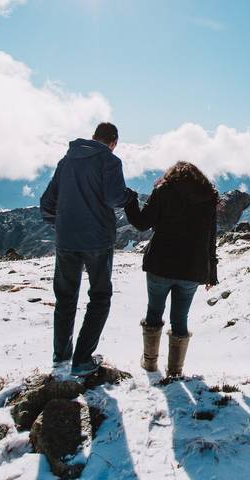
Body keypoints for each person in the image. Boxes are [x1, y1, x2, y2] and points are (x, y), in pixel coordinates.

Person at [40, 122, 133, 377]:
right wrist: (128, 196)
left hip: (67, 241)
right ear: (113, 142)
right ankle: (82, 360)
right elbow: (114, 198)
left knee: (65, 298)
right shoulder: (110, 161)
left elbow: (47, 202)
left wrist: (60, 224)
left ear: (94, 137)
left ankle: (61, 358)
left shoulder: (67, 160)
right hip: (97, 241)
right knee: (100, 297)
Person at [124, 161, 219, 377]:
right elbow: (211, 238)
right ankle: (175, 371)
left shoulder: (164, 190)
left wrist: (130, 200)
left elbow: (141, 223)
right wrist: (211, 273)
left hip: (160, 264)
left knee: (154, 312)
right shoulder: (208, 197)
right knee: (180, 318)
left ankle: (149, 363)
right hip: (192, 269)